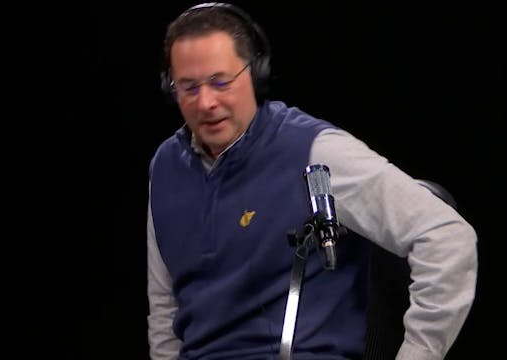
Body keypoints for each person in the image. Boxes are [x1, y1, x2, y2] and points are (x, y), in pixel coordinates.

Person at [147, 3, 478, 359]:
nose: (206, 102)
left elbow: (446, 237)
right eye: (189, 87)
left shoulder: (315, 152)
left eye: (220, 81)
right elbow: (166, 310)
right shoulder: (166, 167)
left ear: (256, 73)